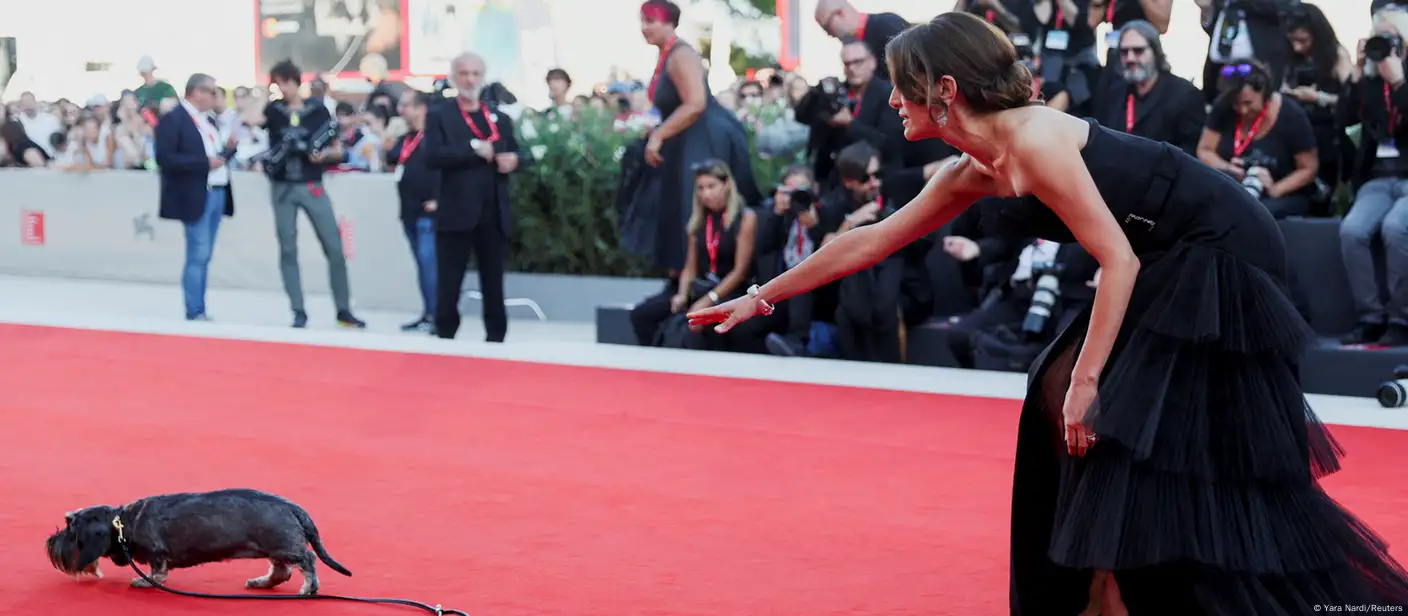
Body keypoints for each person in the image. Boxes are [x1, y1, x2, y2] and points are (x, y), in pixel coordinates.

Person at [688, 12, 1408, 614]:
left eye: (901, 87)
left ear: (943, 91)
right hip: (1163, 258)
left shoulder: (1034, 139)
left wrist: (1091, 382)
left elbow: (1118, 260)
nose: (890, 99)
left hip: (1220, 248)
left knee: (1112, 415)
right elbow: (870, 239)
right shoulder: (973, 167)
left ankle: (1126, 592)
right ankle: (1094, 592)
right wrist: (758, 296)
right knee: (1054, 393)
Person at [262, 59, 367, 330]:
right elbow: (248, 118)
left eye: (285, 82)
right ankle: (298, 309)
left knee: (334, 246)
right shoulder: (274, 111)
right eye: (277, 83)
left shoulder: (317, 110)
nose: (282, 88)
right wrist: (264, 92)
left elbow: (339, 150)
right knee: (287, 248)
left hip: (311, 183)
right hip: (283, 186)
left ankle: (343, 309)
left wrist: (320, 155)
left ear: (295, 81)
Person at [424, 52, 519, 343]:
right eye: (464, 73)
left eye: (476, 73)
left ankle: (496, 337)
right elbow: (432, 156)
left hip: (493, 212)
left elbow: (516, 151)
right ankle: (445, 336)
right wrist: (471, 150)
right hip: (455, 212)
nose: (470, 79)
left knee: (494, 283)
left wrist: (514, 160)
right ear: (454, 77)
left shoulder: (499, 118)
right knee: (449, 284)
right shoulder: (441, 114)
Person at [154, 73, 233, 322]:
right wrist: (203, 163)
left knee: (205, 253)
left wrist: (228, 150)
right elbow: (165, 159)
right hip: (197, 193)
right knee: (198, 253)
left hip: (216, 190)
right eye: (211, 91)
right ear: (196, 92)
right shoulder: (174, 119)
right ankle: (194, 308)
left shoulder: (207, 120)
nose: (215, 96)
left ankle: (198, 306)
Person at [387, 89, 440, 335]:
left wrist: (440, 198)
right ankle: (428, 312)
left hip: (427, 212)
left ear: (421, 108)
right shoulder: (407, 137)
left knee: (429, 264)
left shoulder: (436, 137)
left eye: (407, 105)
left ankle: (437, 314)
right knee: (422, 264)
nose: (402, 111)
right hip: (408, 210)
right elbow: (391, 157)